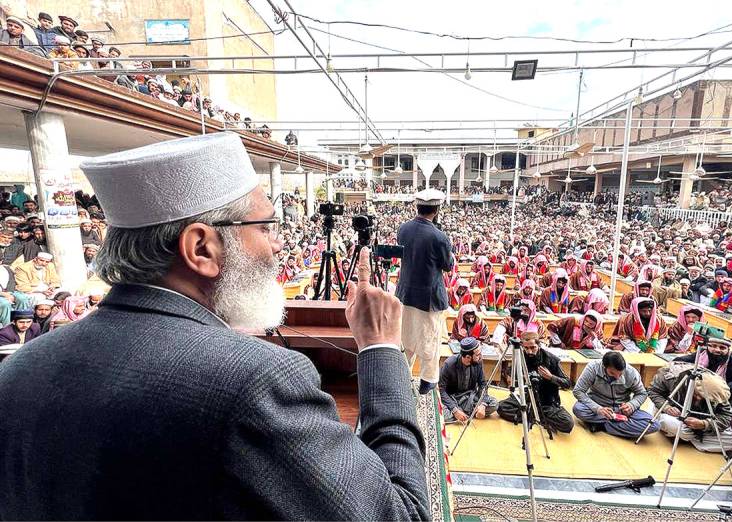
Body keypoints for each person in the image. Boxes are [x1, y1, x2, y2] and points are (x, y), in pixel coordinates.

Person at [0, 133, 429, 519]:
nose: (278, 244)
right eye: (264, 227)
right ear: (201, 247)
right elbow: (401, 514)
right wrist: (381, 349)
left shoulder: (21, 367)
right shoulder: (255, 381)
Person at [396, 188, 453, 395]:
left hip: (405, 294)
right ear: (437, 210)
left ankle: (403, 377)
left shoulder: (403, 229)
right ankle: (427, 381)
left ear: (417, 206)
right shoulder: (439, 237)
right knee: (429, 340)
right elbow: (447, 265)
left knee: (406, 337)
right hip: (429, 298)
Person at [648, 363, 732, 452]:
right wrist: (666, 407)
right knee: (674, 425)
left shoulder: (717, 391)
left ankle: (693, 438)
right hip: (672, 415)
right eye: (697, 394)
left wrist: (705, 424)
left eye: (703, 397)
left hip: (700, 425)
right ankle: (699, 440)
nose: (698, 398)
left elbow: (727, 416)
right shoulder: (671, 376)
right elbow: (653, 391)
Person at [572, 351, 660, 438]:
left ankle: (602, 425)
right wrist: (597, 409)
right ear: (604, 366)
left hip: (622, 409)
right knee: (579, 409)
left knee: (654, 425)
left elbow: (642, 393)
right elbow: (578, 391)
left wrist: (631, 405)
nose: (617, 377)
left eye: (620, 374)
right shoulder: (593, 367)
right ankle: (620, 425)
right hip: (599, 405)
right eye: (612, 373)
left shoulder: (631, 372)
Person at [675, 337, 732, 413]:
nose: (717, 350)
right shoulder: (701, 354)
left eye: (722, 348)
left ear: (728, 350)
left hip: (731, 394)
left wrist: (712, 390)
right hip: (704, 392)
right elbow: (678, 361)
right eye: (713, 346)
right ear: (708, 346)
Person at [519, 331, 574, 434]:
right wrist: (520, 378)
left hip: (546, 403)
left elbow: (567, 383)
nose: (529, 352)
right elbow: (511, 374)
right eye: (526, 348)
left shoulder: (551, 359)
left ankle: (533, 416)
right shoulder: (521, 356)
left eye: (533, 348)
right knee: (502, 407)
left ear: (539, 345)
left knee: (567, 423)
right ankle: (537, 417)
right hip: (527, 400)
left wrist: (551, 377)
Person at [438, 337, 499, 423]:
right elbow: (441, 390)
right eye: (477, 354)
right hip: (453, 398)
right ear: (468, 357)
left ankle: (463, 413)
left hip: (470, 397)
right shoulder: (449, 364)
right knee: (442, 414)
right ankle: (462, 413)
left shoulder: (478, 361)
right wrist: (455, 410)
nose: (480, 356)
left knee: (494, 404)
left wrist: (482, 404)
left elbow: (482, 384)